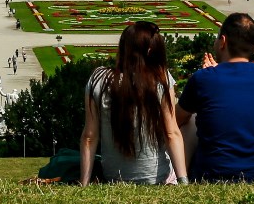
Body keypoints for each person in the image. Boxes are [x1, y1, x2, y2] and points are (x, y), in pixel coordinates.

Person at [79, 21, 189, 185]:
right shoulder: (160, 78)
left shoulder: (99, 78)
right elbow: (171, 133)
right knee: (190, 122)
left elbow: (89, 137)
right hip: (155, 177)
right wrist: (183, 181)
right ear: (151, 51)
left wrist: (84, 183)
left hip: (114, 176)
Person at [176, 13, 254, 183]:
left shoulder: (203, 78)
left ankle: (178, 180)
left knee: (190, 120)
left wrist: (209, 75)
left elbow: (175, 120)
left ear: (223, 41)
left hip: (213, 176)